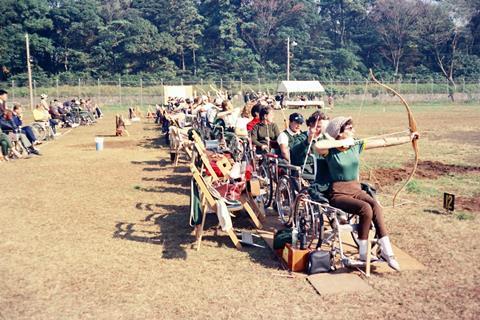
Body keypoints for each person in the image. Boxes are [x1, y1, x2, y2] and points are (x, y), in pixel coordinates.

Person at [314, 116, 419, 271]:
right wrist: (341, 143)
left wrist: (408, 138)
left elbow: (383, 142)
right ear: (339, 132)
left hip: (356, 189)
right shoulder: (329, 150)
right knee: (365, 208)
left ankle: (387, 253)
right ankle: (363, 254)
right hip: (338, 193)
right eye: (349, 128)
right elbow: (318, 145)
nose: (353, 130)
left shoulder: (356, 145)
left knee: (376, 206)